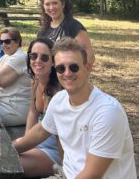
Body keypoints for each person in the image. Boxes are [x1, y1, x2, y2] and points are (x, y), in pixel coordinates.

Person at [14, 37, 137, 178]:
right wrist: (8, 149)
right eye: (61, 68)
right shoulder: (59, 100)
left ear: (88, 67)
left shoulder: (108, 113)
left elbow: (91, 175)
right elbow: (40, 132)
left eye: (74, 67)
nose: (67, 73)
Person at [15, 38, 62, 178]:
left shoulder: (59, 92)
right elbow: (32, 111)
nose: (37, 61)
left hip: (55, 150)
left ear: (53, 61)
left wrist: (28, 143)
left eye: (44, 57)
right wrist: (27, 137)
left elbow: (51, 132)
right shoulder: (35, 81)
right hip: (36, 140)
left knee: (9, 163)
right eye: (33, 56)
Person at [37, 0, 95, 67]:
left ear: (63, 4)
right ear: (43, 7)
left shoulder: (74, 27)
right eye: (47, 4)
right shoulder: (43, 30)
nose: (51, 7)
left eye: (55, 3)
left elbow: (89, 57)